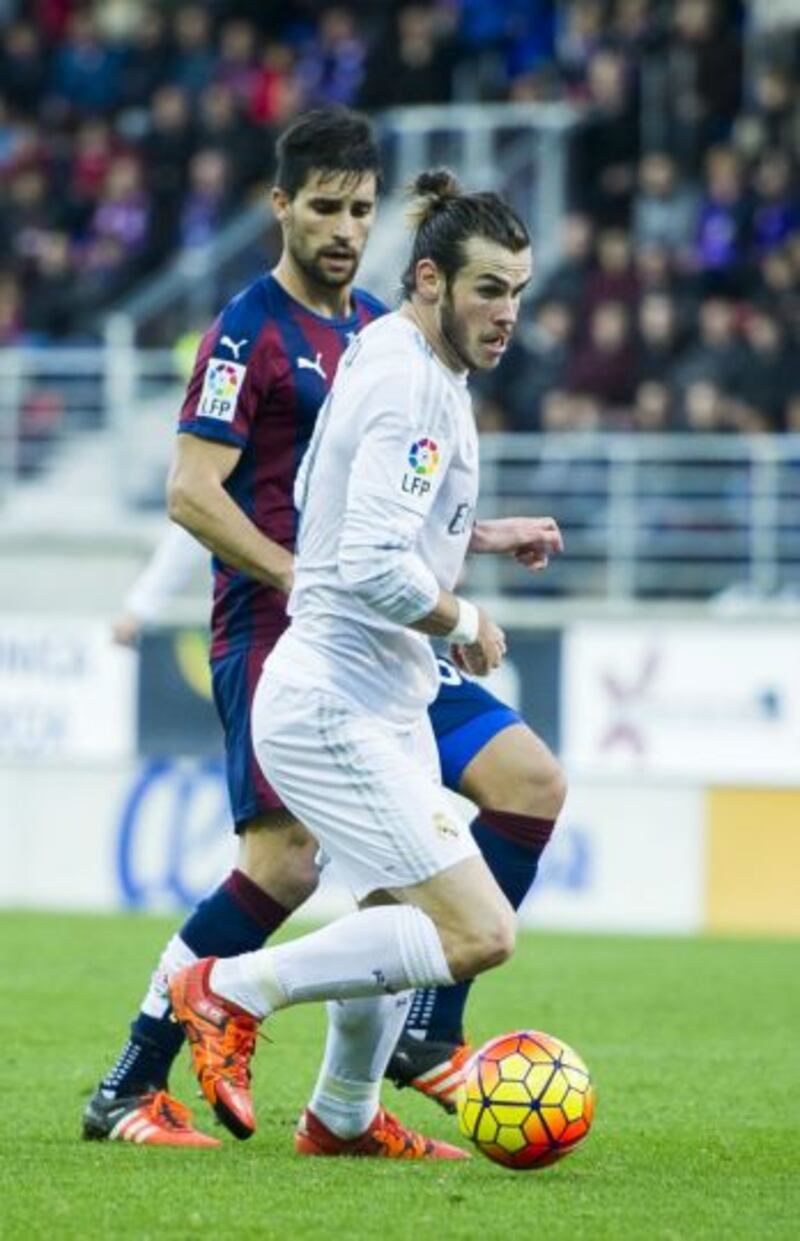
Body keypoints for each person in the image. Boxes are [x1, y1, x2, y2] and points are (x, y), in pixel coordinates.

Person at [84, 108, 565, 1149]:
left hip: (389, 637)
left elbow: (385, 503)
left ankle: (361, 1093)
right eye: (325, 207)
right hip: (288, 624)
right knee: (286, 867)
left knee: (517, 790)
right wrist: (307, 572)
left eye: (360, 209)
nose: (345, 229)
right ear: (281, 207)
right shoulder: (247, 331)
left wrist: (477, 539)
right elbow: (192, 492)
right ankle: (134, 1075)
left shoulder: (381, 331)